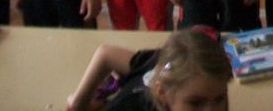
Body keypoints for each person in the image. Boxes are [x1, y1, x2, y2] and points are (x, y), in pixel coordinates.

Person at [66, 27, 232, 111]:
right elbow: (104, 53)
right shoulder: (129, 107)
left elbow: (106, 54)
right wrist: (78, 104)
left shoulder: (169, 62)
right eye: (195, 103)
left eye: (220, 99)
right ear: (162, 93)